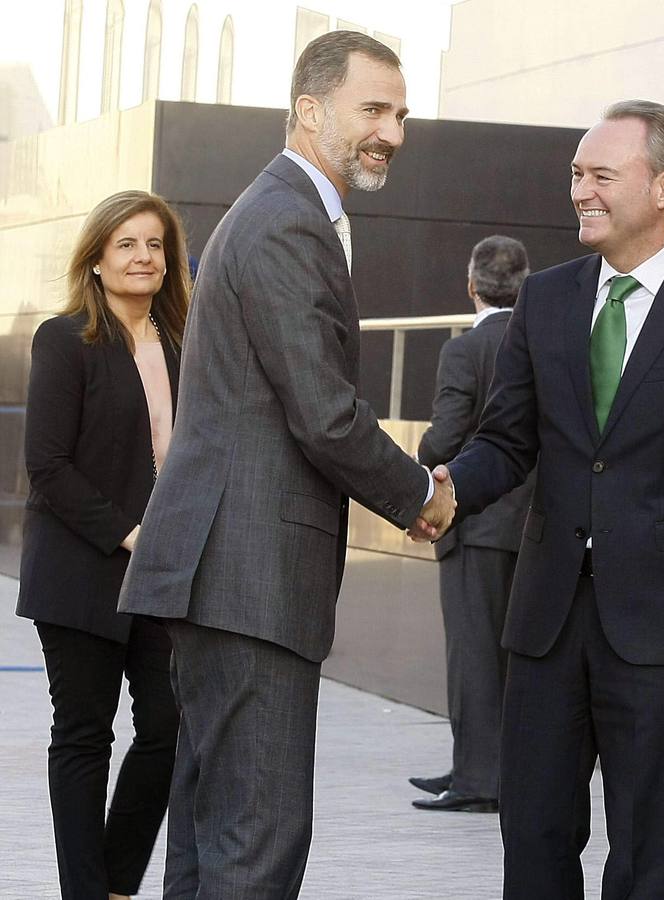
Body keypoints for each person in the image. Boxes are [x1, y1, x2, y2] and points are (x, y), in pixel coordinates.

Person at [117, 31, 455, 897]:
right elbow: (323, 411)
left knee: (214, 832)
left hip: (227, 577)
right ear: (310, 111)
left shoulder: (286, 214)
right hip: (247, 578)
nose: (394, 132)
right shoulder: (285, 221)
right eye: (372, 109)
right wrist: (419, 492)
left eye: (402, 114)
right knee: (256, 843)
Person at [436, 99, 664, 898]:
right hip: (546, 618)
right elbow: (507, 440)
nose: (580, 191)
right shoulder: (548, 296)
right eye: (575, 174)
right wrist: (447, 488)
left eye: (600, 174)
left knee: (642, 848)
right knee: (531, 833)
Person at [17, 190, 188, 900]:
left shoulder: (186, 342)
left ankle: (117, 882)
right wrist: (130, 533)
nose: (143, 257)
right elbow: (47, 466)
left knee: (170, 728)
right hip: (84, 569)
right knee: (84, 737)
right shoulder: (65, 340)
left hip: (166, 573)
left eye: (154, 244)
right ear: (96, 259)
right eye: (126, 244)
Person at [410, 235, 534, 813]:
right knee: (511, 658)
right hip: (532, 523)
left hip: (475, 522)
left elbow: (444, 437)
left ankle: (478, 781)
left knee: (474, 655)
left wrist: (417, 471)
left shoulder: (464, 351)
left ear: (471, 286)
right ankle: (480, 770)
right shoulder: (545, 340)